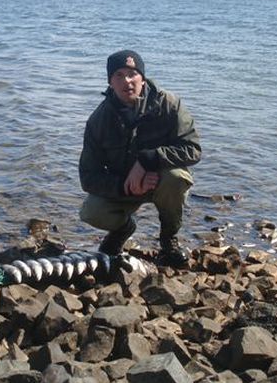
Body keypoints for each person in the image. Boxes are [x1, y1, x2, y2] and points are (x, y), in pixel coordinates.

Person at [79, 49, 201, 266]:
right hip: (125, 187)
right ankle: (123, 229)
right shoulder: (98, 121)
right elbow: (88, 177)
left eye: (132, 74)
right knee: (91, 211)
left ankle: (168, 241)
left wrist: (148, 160)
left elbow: (192, 149)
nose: (127, 81)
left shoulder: (170, 104)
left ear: (142, 79)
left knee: (176, 178)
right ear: (110, 82)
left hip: (160, 182)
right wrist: (126, 186)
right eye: (119, 75)